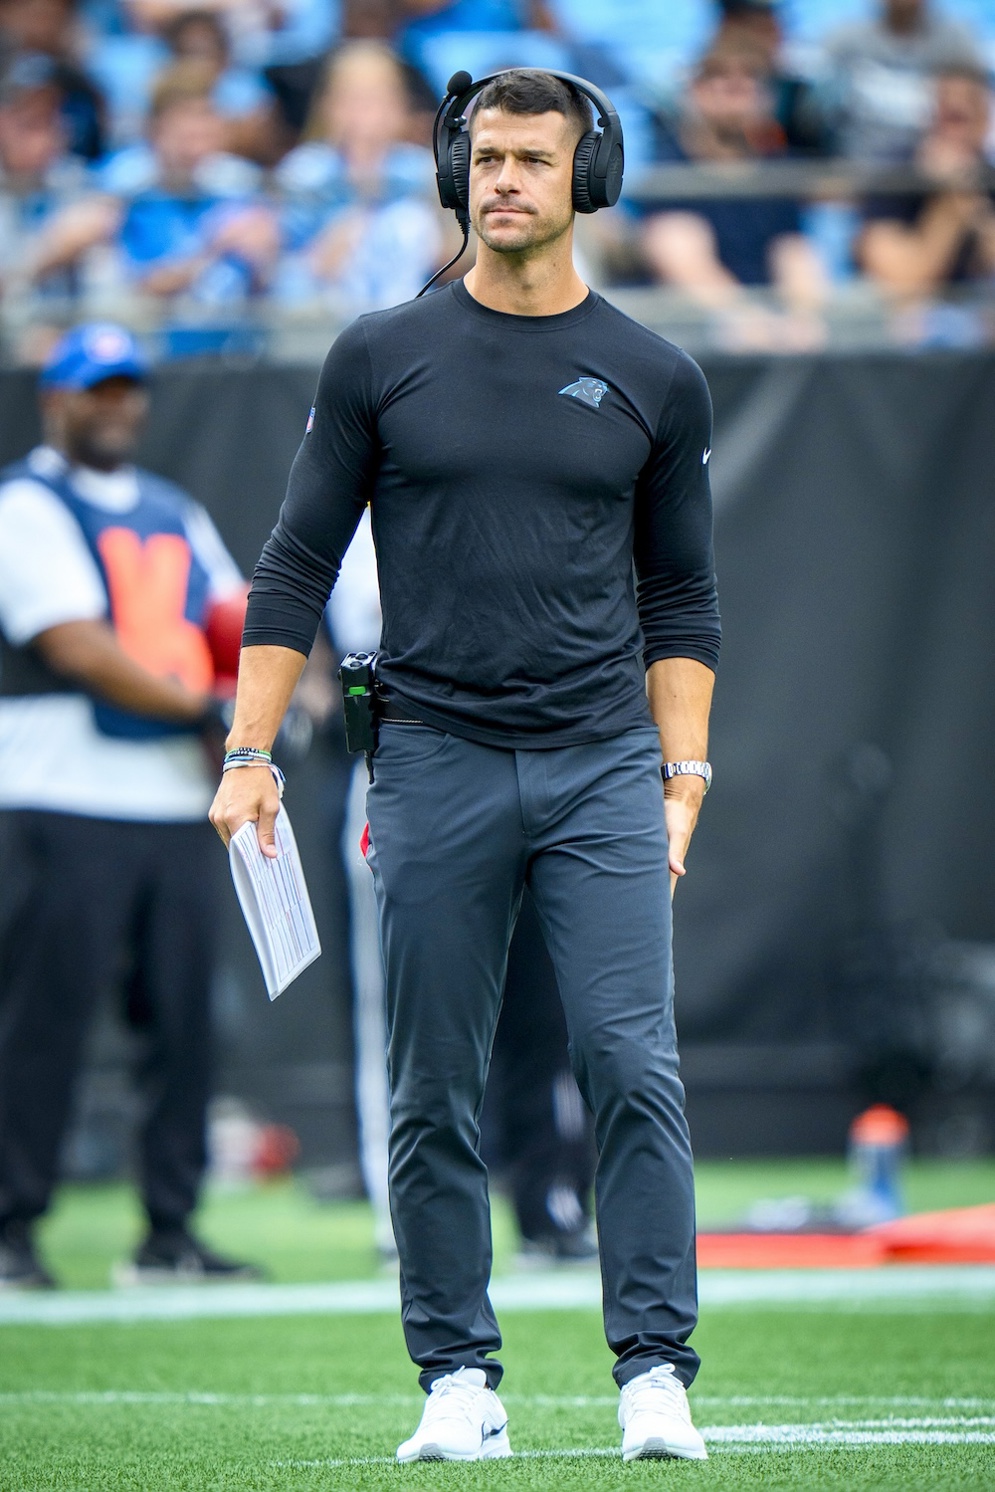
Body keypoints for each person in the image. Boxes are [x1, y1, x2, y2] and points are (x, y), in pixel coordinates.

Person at [211, 67, 719, 1463]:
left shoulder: (653, 374)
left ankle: (652, 1371)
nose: (502, 180)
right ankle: (455, 1379)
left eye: (530, 162)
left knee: (629, 1063)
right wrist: (249, 747)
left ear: (583, 182)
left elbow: (680, 600)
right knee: (429, 1082)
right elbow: (293, 564)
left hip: (604, 767)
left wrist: (682, 777)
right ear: (454, 172)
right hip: (427, 760)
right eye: (484, 158)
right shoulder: (377, 355)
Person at [0, 321, 260, 1289]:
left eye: (127, 388)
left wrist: (279, 685)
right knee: (43, 1025)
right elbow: (77, 645)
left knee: (187, 1026)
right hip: (57, 792)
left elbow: (239, 616)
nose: (115, 406)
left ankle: (170, 1230)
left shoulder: (172, 506)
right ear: (53, 400)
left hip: (173, 801)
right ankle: (12, 1227)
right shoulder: (25, 504)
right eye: (94, 388)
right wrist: (214, 707)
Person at [858, 64, 995, 300]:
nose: (954, 131)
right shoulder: (896, 175)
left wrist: (971, 204)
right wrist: (950, 204)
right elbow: (902, 282)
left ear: (984, 121)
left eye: (963, 117)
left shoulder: (988, 175)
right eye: (948, 116)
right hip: (908, 318)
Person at [824, 0, 982, 162]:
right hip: (853, 165)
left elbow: (978, 115)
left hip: (931, 167)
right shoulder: (845, 41)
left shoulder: (955, 42)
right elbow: (817, 117)